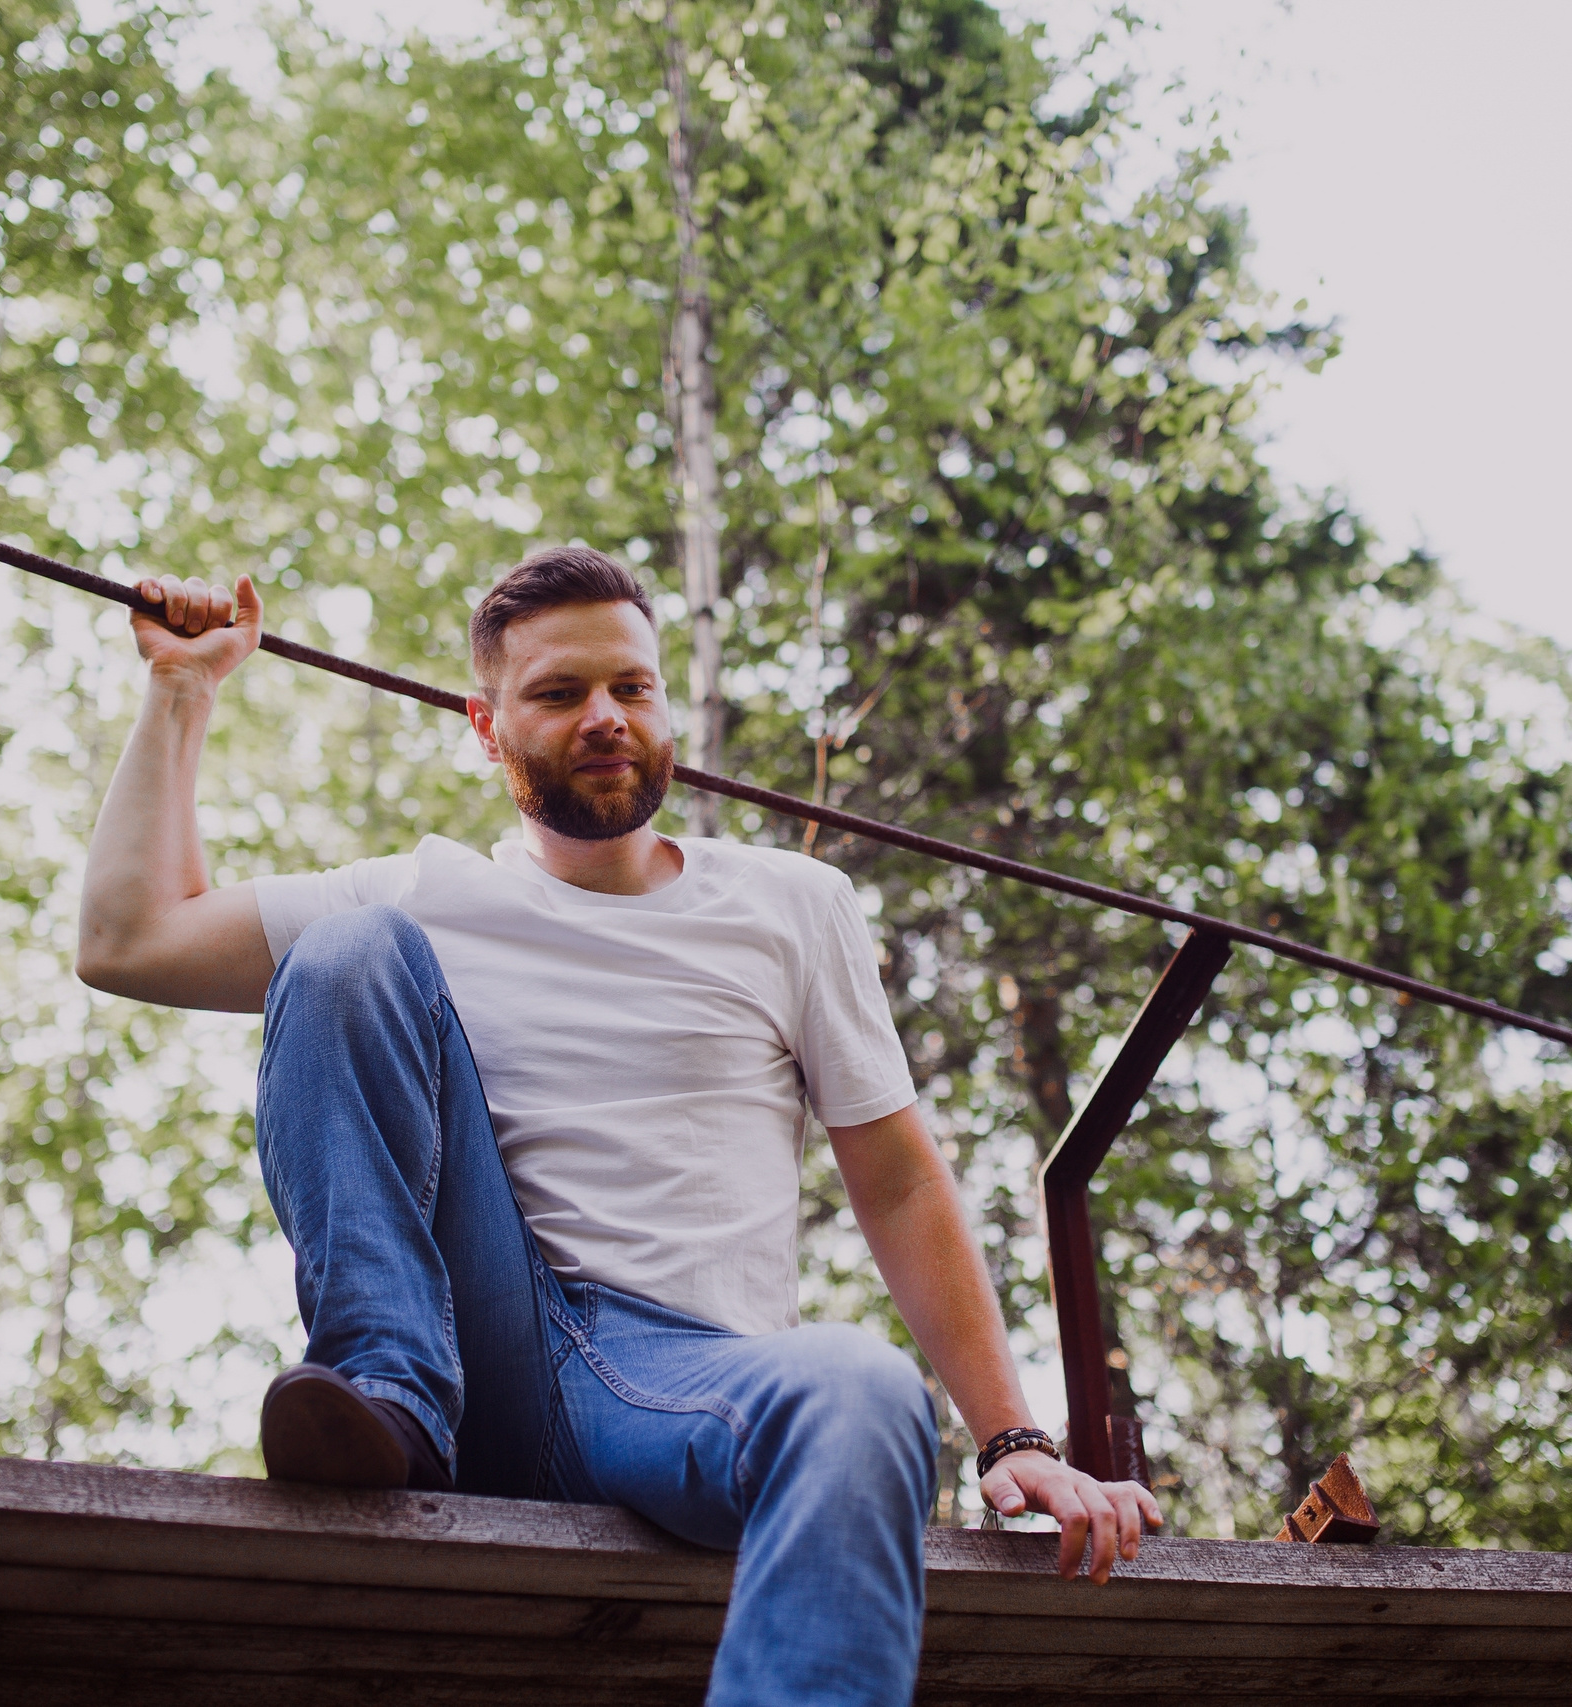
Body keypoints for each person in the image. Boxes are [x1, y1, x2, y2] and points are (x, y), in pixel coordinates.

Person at [75, 545, 1160, 1706]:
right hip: (473, 1351)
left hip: (679, 1384)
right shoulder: (429, 895)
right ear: (484, 730)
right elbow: (128, 943)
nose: (604, 718)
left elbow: (897, 1181)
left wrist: (1016, 1439)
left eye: (631, 688)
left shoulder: (789, 906)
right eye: (558, 694)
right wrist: (181, 688)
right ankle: (384, 1388)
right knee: (342, 953)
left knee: (859, 1386)